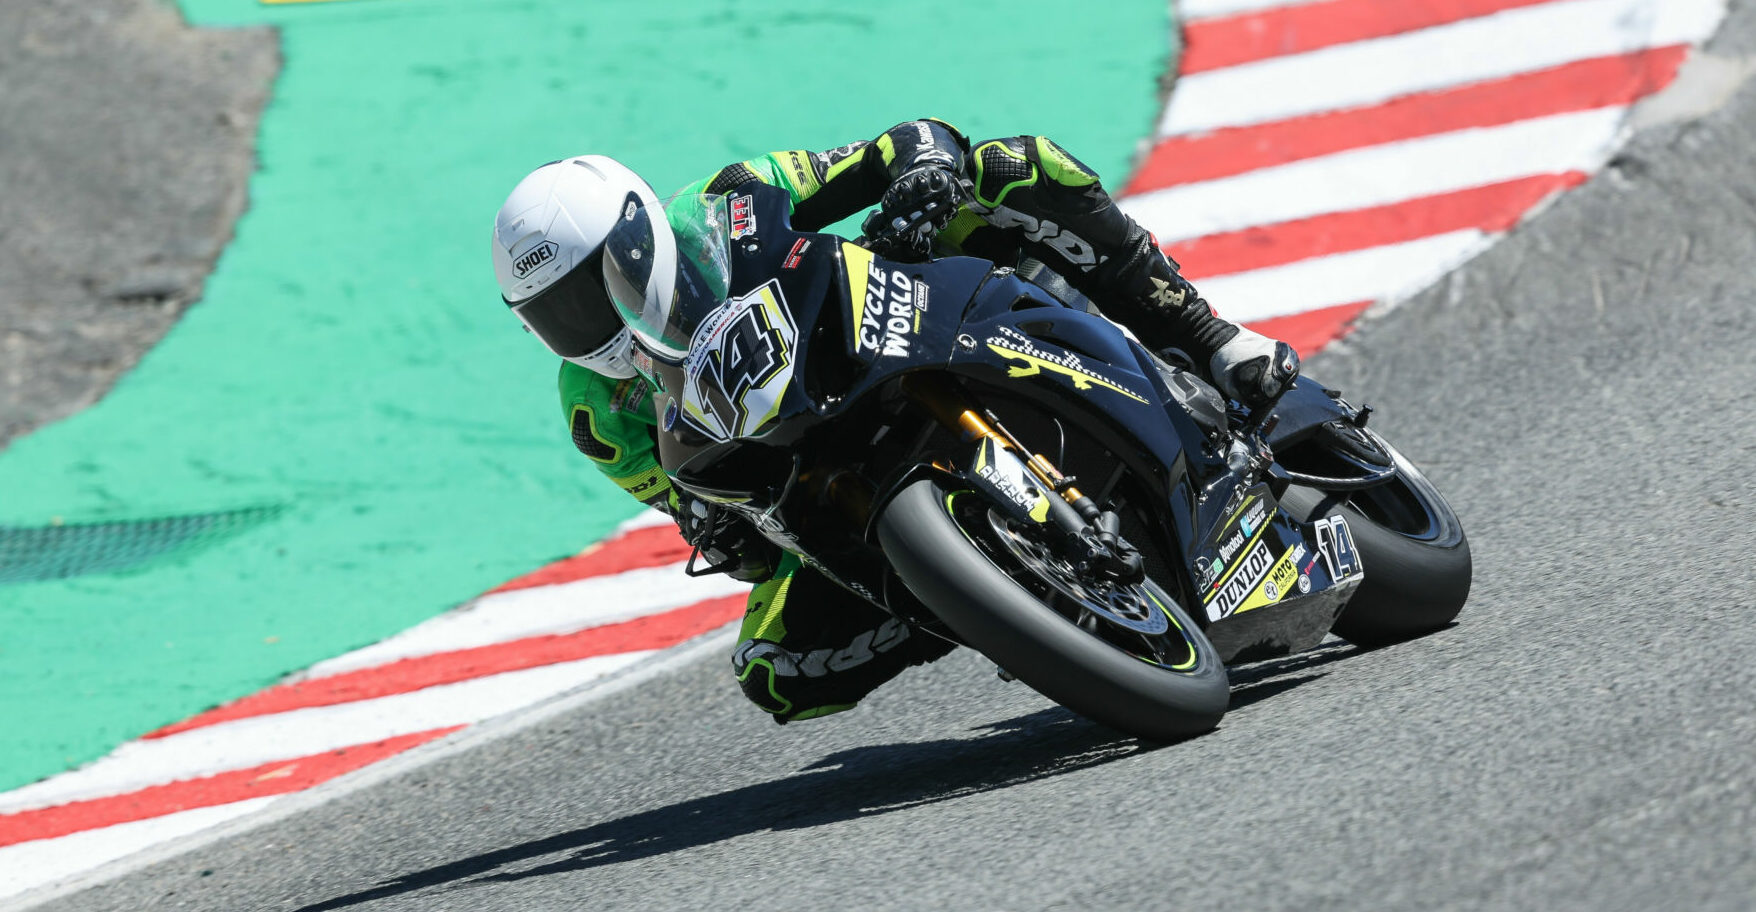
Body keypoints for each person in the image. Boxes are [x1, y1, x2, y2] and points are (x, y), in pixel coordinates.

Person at [489, 119, 1299, 724]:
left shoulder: (732, 197)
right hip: (817, 469)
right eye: (557, 315)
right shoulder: (596, 412)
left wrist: (922, 175)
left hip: (897, 322)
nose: (588, 322)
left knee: (1012, 170)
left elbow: (906, 140)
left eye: (594, 288)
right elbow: (692, 505)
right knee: (779, 671)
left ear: (638, 236)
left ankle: (1211, 340)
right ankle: (993, 597)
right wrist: (719, 529)